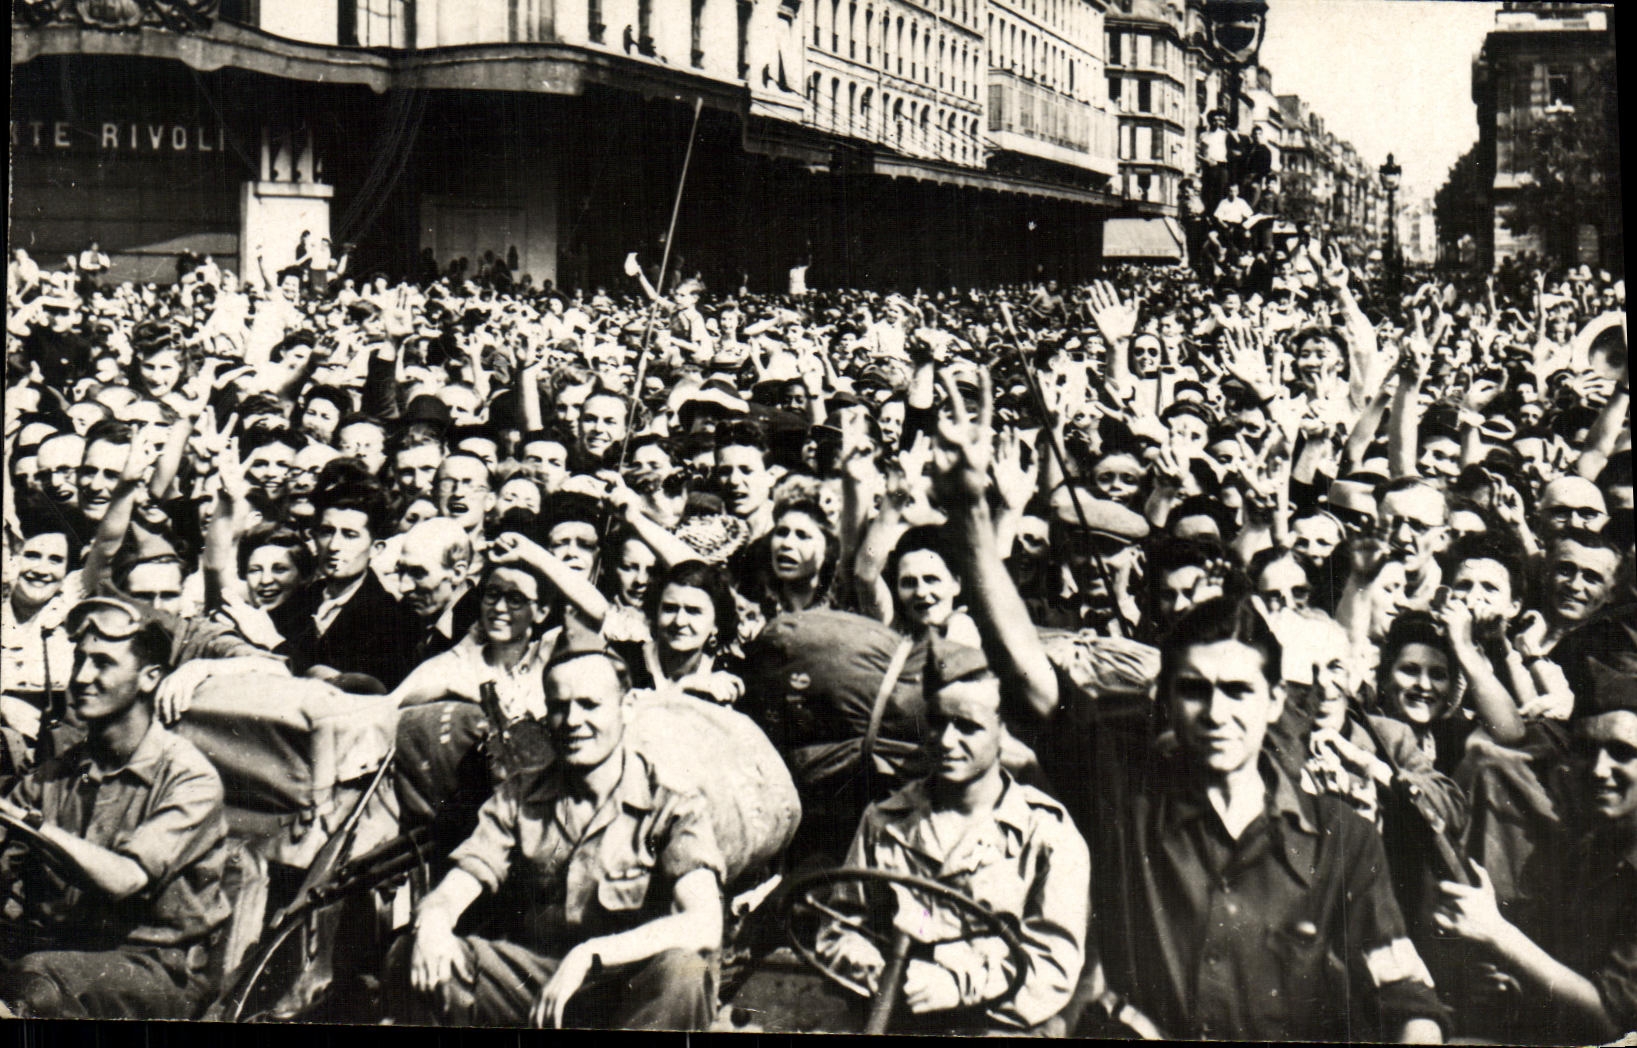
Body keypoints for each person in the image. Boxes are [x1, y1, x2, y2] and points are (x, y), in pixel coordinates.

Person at [387, 636, 724, 1030]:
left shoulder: (671, 805)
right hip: (537, 986)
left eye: (590, 705)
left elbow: (704, 923)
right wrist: (433, 925)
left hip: (627, 990)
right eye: (560, 708)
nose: (573, 721)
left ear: (626, 707)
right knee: (414, 952)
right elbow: (462, 881)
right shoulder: (520, 797)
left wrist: (589, 955)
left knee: (682, 972)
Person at [816, 637, 1090, 1033]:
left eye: (967, 727)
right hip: (891, 1014)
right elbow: (839, 928)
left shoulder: (1045, 833)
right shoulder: (885, 821)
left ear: (1004, 730)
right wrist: (879, 975)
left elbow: (1053, 964)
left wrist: (959, 986)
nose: (946, 741)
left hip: (998, 1021)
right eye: (937, 722)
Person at [0, 597, 230, 1019]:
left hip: (157, 970)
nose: (82, 677)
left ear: (150, 678)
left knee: (36, 981)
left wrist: (29, 824)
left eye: (103, 663)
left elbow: (124, 879)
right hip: (65, 950)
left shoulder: (187, 777)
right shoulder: (55, 775)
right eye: (79, 660)